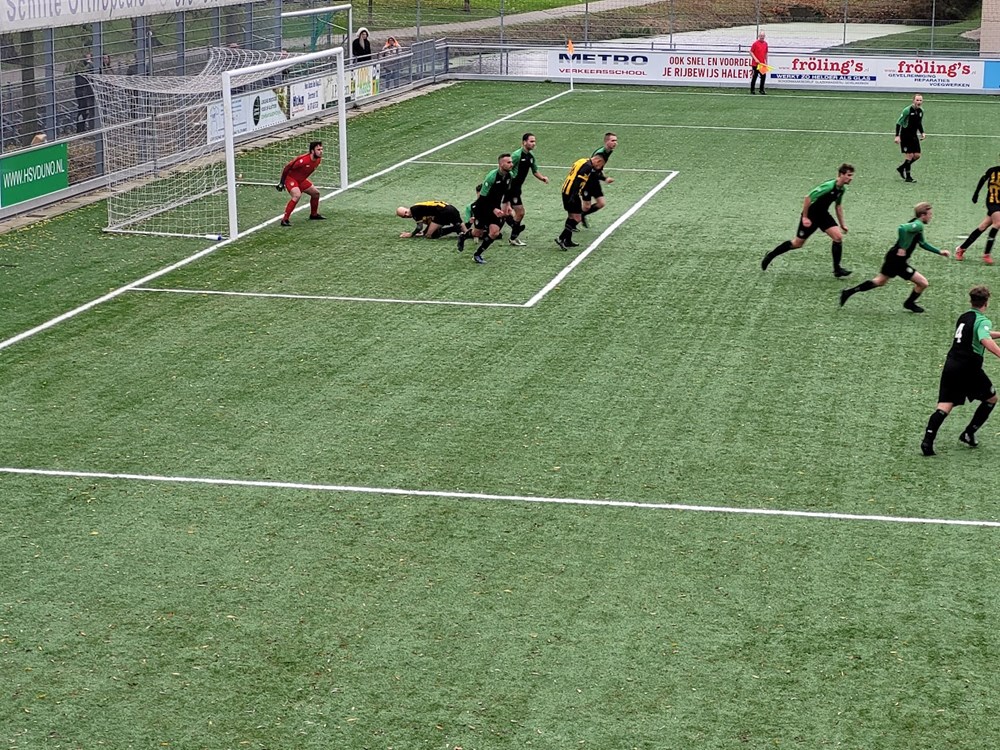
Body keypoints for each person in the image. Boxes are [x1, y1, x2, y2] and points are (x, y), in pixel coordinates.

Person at [921, 285, 1000, 456]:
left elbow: (979, 333)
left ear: (971, 301)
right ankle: (968, 433)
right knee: (991, 398)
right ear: (986, 302)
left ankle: (927, 441)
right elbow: (984, 339)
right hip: (969, 367)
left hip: (951, 364)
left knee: (944, 405)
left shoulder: (964, 317)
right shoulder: (983, 321)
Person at [839, 202, 949, 314]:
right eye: (930, 214)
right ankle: (909, 303)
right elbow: (902, 228)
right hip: (897, 260)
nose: (931, 217)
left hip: (893, 257)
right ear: (923, 215)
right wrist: (902, 247)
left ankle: (848, 292)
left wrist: (939, 252)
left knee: (880, 281)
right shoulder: (918, 225)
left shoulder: (918, 226)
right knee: (923, 283)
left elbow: (922, 243)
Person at [760, 163, 855, 278]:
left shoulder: (841, 189)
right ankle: (771, 255)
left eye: (852, 175)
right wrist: (805, 217)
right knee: (797, 243)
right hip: (811, 215)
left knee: (838, 237)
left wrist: (842, 224)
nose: (851, 178)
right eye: (849, 175)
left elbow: (838, 206)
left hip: (823, 215)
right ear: (841, 174)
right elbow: (808, 198)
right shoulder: (829, 186)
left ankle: (837, 269)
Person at [504, 133, 549, 246]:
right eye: (531, 141)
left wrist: (542, 178)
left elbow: (535, 170)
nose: (534, 143)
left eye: (534, 141)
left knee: (513, 213)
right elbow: (506, 169)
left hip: (517, 188)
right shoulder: (517, 155)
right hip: (511, 188)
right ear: (524, 142)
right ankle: (513, 236)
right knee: (519, 213)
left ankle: (513, 231)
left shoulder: (531, 156)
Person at [556, 153, 606, 250]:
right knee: (577, 218)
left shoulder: (582, 160)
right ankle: (561, 238)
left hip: (565, 189)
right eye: (600, 165)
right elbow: (578, 181)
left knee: (571, 216)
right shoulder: (588, 167)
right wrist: (574, 195)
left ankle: (567, 240)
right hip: (571, 192)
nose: (599, 167)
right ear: (598, 161)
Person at [470, 154, 513, 264]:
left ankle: (477, 254)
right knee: (477, 233)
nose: (511, 164)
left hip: (495, 207)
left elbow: (508, 192)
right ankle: (463, 235)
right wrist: (493, 209)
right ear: (501, 164)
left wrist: (508, 205)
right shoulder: (491, 177)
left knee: (494, 233)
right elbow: (482, 199)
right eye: (508, 162)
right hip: (483, 207)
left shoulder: (510, 175)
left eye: (511, 162)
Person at [955, 161, 1000, 265]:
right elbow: (983, 179)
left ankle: (961, 248)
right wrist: (976, 194)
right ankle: (986, 254)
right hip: (992, 202)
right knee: (998, 223)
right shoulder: (993, 170)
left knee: (983, 227)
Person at [277, 141, 325, 226]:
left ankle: (313, 215)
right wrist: (282, 182)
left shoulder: (318, 159)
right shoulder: (303, 160)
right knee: (297, 195)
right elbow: (287, 167)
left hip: (301, 180)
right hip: (291, 179)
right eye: (318, 149)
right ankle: (284, 220)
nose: (321, 151)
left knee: (316, 194)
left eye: (321, 149)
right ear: (312, 151)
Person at [580, 132, 617, 228]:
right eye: (613, 140)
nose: (615, 143)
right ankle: (574, 220)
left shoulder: (608, 151)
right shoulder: (600, 154)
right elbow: (592, 171)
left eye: (616, 141)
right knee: (586, 207)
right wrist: (605, 178)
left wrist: (602, 173)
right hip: (587, 182)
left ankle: (581, 215)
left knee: (601, 203)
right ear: (606, 141)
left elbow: (598, 168)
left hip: (595, 181)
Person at [895, 94, 925, 183]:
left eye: (920, 100)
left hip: (914, 135)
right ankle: (908, 177)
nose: (919, 102)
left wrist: (922, 132)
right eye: (917, 100)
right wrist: (897, 136)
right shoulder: (907, 110)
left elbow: (919, 123)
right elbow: (899, 123)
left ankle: (902, 168)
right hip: (905, 135)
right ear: (913, 101)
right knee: (909, 156)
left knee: (917, 155)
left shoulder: (921, 111)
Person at [395, 201, 464, 239]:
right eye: (404, 216)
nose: (407, 215)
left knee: (429, 235)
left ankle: (454, 228)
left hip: (443, 212)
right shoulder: (417, 206)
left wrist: (411, 234)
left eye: (405, 212)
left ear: (406, 208)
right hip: (451, 208)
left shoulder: (414, 211)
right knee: (466, 231)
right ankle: (463, 226)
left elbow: (419, 227)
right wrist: (423, 232)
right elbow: (431, 221)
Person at [71, 51, 94, 133]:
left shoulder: (91, 67)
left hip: (87, 91)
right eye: (87, 58)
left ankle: (84, 127)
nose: (89, 60)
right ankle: (80, 128)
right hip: (82, 92)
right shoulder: (80, 67)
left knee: (87, 111)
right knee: (82, 110)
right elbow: (81, 80)